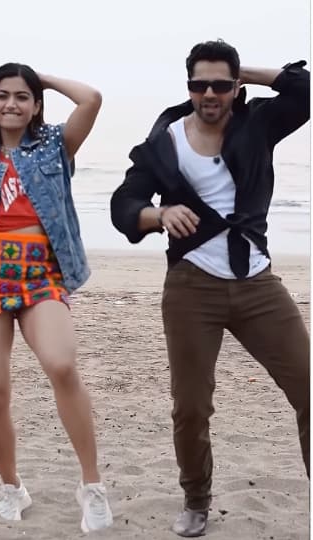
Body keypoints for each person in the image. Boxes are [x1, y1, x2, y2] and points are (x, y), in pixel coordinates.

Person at [110, 39, 310, 537]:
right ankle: (196, 499)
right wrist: (158, 214)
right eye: (200, 84)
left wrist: (248, 75)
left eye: (221, 84)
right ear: (188, 87)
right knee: (191, 407)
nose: (210, 94)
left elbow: (304, 90)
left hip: (257, 282)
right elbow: (124, 203)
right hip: (191, 287)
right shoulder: (165, 142)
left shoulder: (257, 123)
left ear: (236, 87)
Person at [0, 62, 113, 534]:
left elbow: (91, 99)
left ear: (36, 105)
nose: (11, 104)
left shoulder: (54, 143)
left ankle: (92, 486)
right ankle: (11, 485)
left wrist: (44, 78)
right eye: (2, 95)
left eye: (22, 96)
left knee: (62, 365)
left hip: (42, 276)